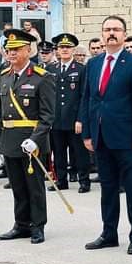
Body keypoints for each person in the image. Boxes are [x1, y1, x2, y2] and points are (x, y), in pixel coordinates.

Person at [81, 15, 132, 255]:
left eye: (116, 30)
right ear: (102, 34)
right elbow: (88, 99)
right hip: (100, 137)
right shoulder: (94, 64)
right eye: (107, 30)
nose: (111, 33)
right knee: (108, 189)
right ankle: (109, 233)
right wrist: (87, 133)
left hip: (127, 139)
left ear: (124, 34)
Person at [0, 29, 55, 244]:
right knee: (18, 187)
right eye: (9, 49)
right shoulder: (4, 77)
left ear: (28, 51)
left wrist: (36, 139)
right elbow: (0, 113)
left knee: (35, 187)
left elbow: (48, 116)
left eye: (16, 49)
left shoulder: (42, 77)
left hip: (32, 142)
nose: (11, 53)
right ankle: (21, 224)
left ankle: (38, 226)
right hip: (10, 140)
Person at [46, 33, 90, 192]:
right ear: (57, 50)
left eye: (68, 47)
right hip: (56, 119)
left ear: (73, 50)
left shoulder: (81, 69)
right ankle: (61, 180)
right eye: (61, 47)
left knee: (80, 153)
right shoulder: (51, 69)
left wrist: (81, 119)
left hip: (74, 120)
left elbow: (84, 96)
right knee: (58, 152)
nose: (64, 50)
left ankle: (84, 180)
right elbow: (47, 95)